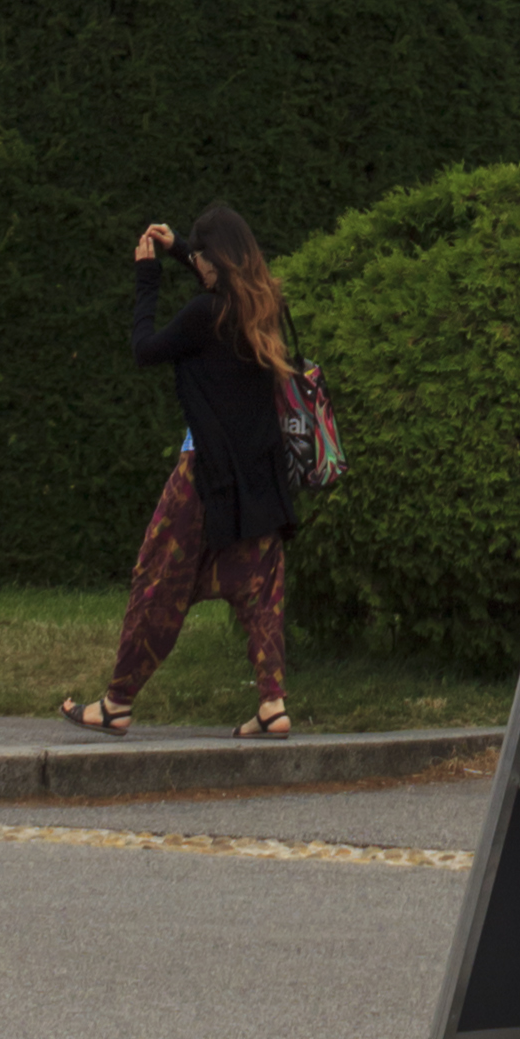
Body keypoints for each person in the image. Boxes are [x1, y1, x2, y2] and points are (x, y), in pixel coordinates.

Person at [63, 205, 300, 740]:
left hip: (205, 473)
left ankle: (117, 701)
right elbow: (222, 290)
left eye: (201, 257)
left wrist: (148, 278)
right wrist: (178, 252)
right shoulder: (263, 307)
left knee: (157, 580)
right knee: (261, 588)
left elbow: (146, 349)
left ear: (214, 260)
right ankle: (272, 704)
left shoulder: (202, 316)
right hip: (260, 474)